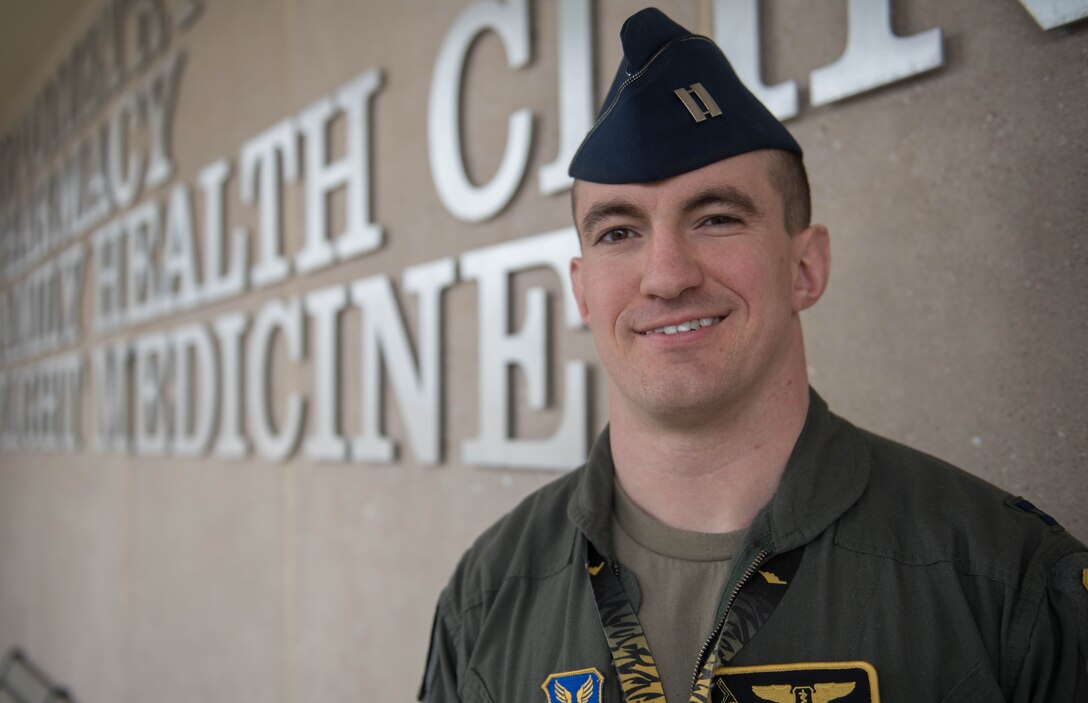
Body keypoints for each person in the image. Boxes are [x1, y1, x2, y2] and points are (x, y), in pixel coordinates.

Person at [418, 8, 1088, 703]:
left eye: (716, 218)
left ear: (806, 267)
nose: (667, 274)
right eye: (619, 231)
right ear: (583, 292)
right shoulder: (487, 594)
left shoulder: (1009, 584)